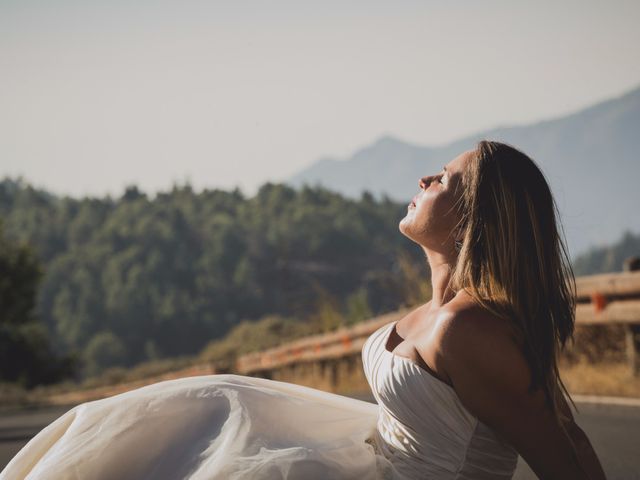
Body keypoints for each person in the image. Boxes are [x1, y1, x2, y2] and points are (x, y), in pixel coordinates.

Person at [1, 140, 605, 480]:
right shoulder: (439, 313)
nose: (424, 178)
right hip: (369, 464)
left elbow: (561, 451)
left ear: (472, 218)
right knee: (203, 412)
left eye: (443, 179)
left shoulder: (469, 329)